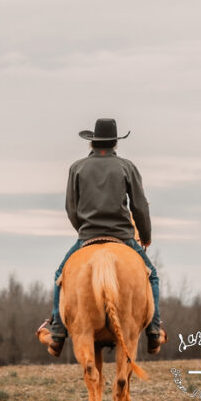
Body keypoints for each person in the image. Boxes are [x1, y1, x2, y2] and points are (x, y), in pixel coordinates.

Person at [36, 118, 165, 357]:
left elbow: (71, 208)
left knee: (60, 275)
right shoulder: (127, 167)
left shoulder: (77, 168)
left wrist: (84, 230)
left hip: (88, 236)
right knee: (153, 276)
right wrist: (145, 236)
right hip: (123, 237)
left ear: (92, 143)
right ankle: (154, 331)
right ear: (115, 142)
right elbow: (139, 207)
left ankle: (57, 333)